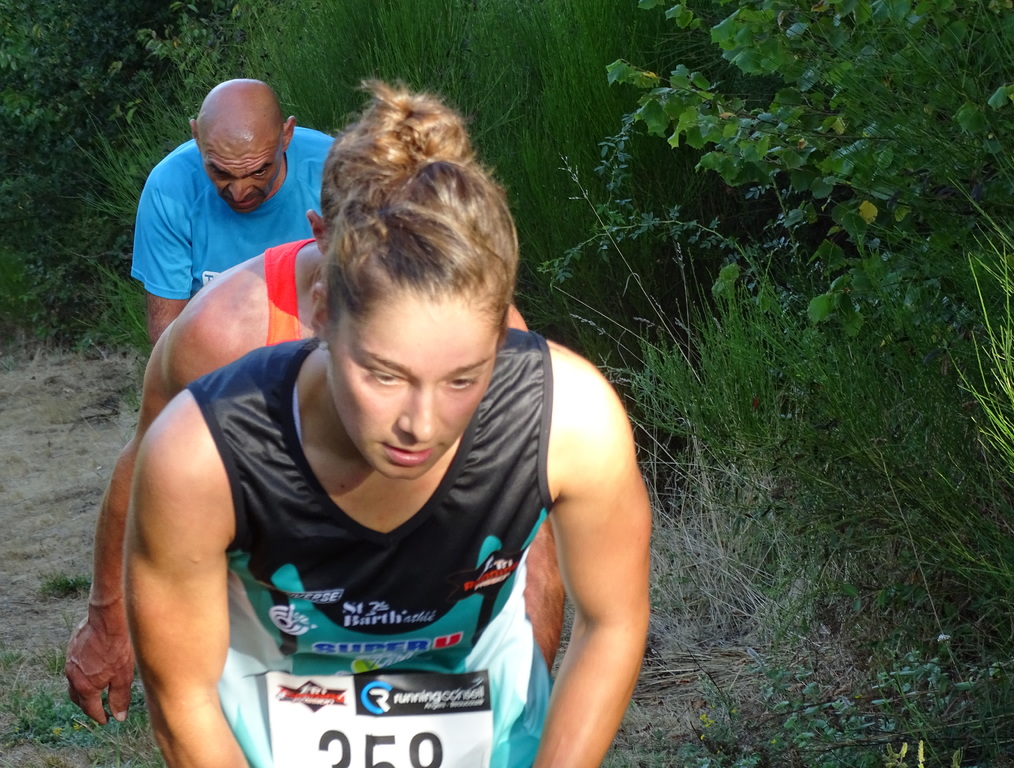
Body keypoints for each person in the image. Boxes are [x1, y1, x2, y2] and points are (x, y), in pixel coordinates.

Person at [125, 81, 650, 768]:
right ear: (320, 312)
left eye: (463, 378)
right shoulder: (201, 449)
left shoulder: (572, 416)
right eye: (383, 375)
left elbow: (612, 621)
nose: (420, 425)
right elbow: (183, 695)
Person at [65, 228, 555, 726]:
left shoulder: (491, 333)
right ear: (325, 228)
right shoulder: (223, 329)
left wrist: (523, 703)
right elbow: (148, 467)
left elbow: (530, 531)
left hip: (424, 616)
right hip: (271, 632)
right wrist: (108, 618)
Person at [132, 78, 334, 343]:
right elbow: (166, 337)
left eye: (259, 171)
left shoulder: (338, 172)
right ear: (197, 138)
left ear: (286, 136)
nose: (240, 193)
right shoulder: (169, 188)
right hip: (218, 354)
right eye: (220, 172)